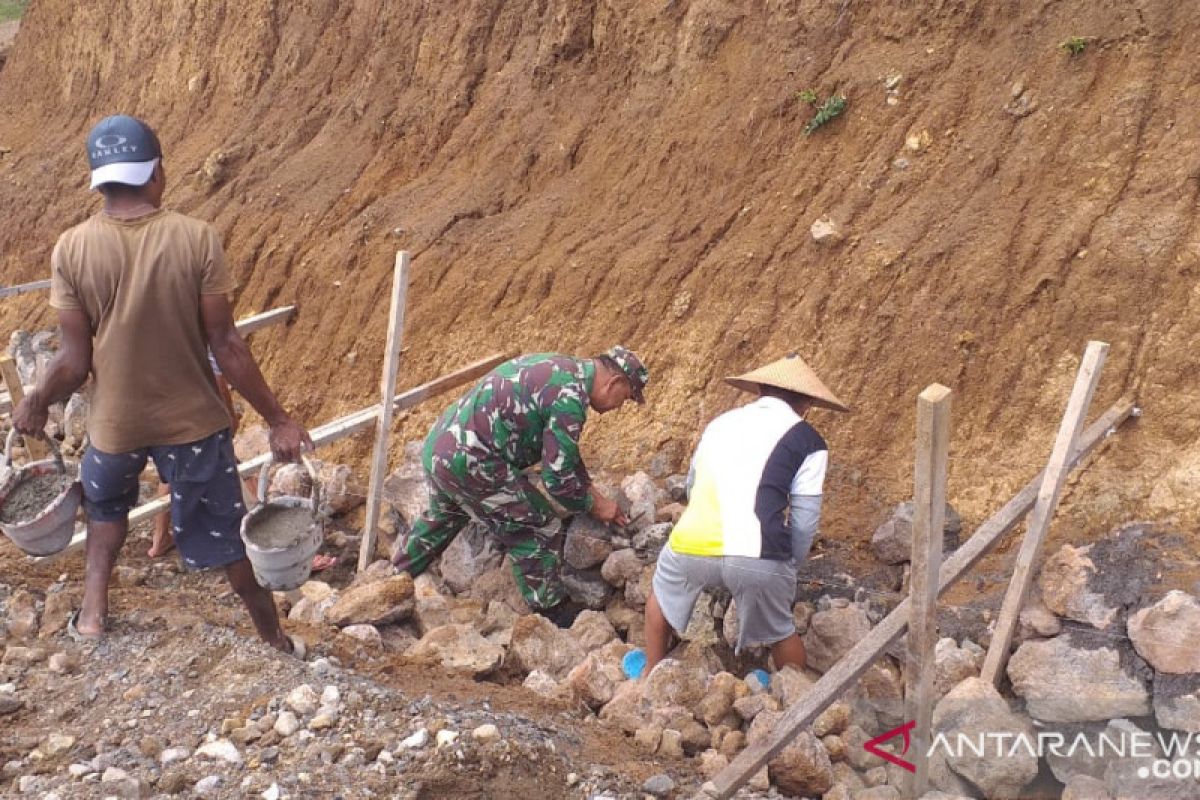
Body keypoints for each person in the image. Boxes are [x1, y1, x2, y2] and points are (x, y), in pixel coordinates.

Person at [13, 115, 313, 654]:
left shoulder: (72, 249)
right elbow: (226, 344)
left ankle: (93, 619)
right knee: (227, 537)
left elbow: (73, 361)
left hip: (113, 426)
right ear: (157, 173)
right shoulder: (195, 239)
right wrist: (278, 420)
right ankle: (273, 639)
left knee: (105, 517)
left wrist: (37, 399)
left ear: (100, 182)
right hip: (192, 424)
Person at [392, 348, 649, 627]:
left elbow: (564, 453)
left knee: (445, 516)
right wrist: (593, 505)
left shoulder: (561, 369)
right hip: (472, 461)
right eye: (624, 398)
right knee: (538, 525)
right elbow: (557, 479)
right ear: (613, 382)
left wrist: (591, 490)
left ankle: (392, 581)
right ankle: (551, 611)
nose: (619, 406)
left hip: (442, 448)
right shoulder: (571, 399)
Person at [642, 353, 848, 675]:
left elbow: (693, 485)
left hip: (691, 546)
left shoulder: (720, 424)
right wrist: (786, 566)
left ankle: (649, 676)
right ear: (807, 403)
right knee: (781, 631)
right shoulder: (809, 441)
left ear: (760, 390)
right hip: (757, 555)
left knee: (660, 599)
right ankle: (792, 705)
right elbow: (805, 521)